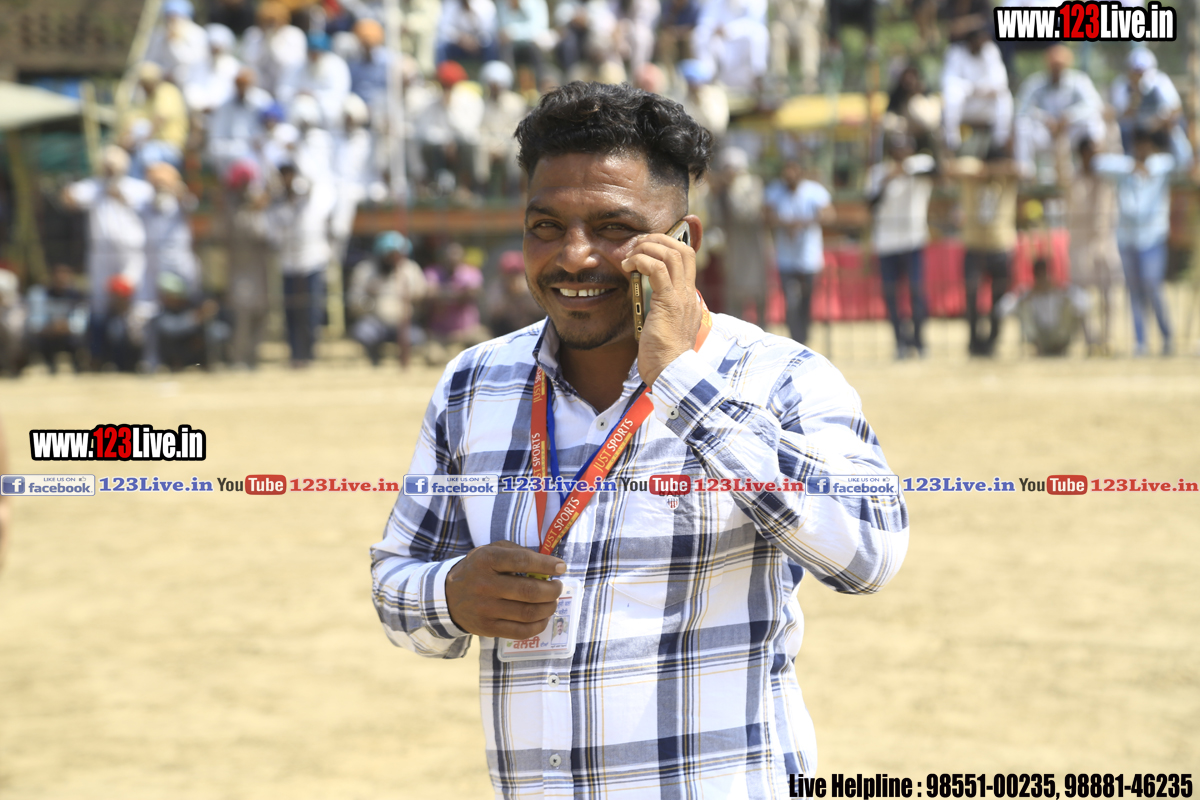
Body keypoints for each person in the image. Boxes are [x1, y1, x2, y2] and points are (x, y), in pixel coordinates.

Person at [370, 81, 908, 794]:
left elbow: (869, 552)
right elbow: (396, 581)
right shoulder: (474, 385)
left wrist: (681, 381)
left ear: (686, 242)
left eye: (614, 228)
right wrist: (449, 595)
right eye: (545, 226)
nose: (574, 256)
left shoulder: (779, 378)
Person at [60, 145, 155, 367]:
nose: (110, 169)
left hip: (131, 253)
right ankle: (98, 356)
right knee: (99, 303)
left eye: (114, 165)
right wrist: (70, 188)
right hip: (101, 254)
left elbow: (154, 206)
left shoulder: (138, 187)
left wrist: (120, 196)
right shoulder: (93, 186)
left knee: (137, 302)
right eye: (107, 165)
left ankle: (140, 356)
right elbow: (67, 199)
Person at [1092, 129, 1180, 356]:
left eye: (1145, 145)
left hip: (1153, 239)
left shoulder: (1161, 164)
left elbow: (1183, 159)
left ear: (1151, 146)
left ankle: (1166, 336)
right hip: (1127, 240)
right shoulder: (1124, 168)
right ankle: (1140, 342)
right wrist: (1130, 167)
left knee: (1153, 286)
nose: (1142, 149)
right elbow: (1097, 163)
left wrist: (1174, 129)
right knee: (1134, 291)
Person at [865, 132, 935, 359]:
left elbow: (936, 170)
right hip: (886, 243)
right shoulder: (878, 173)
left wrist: (905, 170)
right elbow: (870, 204)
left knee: (916, 291)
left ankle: (919, 340)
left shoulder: (920, 163)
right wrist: (887, 180)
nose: (901, 152)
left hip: (913, 239)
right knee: (891, 295)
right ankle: (900, 342)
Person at [947, 144, 1019, 356]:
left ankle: (992, 341)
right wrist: (983, 170)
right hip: (975, 247)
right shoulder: (972, 175)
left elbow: (1021, 169)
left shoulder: (1007, 178)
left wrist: (993, 170)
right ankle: (973, 342)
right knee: (971, 296)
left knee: (999, 300)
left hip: (1001, 246)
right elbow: (950, 168)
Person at [267, 161, 337, 367]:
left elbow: (315, 185)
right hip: (289, 265)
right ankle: (295, 354)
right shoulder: (276, 206)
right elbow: (273, 235)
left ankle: (310, 353)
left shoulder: (312, 200)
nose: (287, 180)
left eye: (290, 175)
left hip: (312, 262)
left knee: (311, 311)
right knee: (291, 312)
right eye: (284, 176)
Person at [1058, 135, 1120, 355]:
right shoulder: (1073, 178)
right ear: (1083, 154)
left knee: (1109, 294)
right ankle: (1090, 341)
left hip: (1105, 241)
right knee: (1081, 296)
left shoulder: (1107, 177)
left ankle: (1108, 339)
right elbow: (1060, 166)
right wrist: (1060, 138)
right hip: (1080, 243)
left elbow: (1118, 156)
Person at [764, 158, 835, 344]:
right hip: (786, 259)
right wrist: (785, 224)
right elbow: (765, 215)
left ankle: (804, 338)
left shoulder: (814, 191)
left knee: (806, 301)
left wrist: (805, 222)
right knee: (791, 301)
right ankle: (796, 340)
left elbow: (829, 214)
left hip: (809, 258)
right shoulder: (775, 190)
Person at [1014, 45, 1104, 181]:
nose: (1056, 69)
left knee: (1093, 121)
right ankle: (1026, 174)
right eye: (1053, 65)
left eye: (1060, 65)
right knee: (1022, 125)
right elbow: (1022, 109)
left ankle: (1092, 164)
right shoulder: (1035, 83)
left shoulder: (1079, 81)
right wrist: (1044, 118)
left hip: (1071, 134)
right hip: (1046, 134)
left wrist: (1069, 117)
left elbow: (1094, 104)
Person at [221, 160, 273, 369]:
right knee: (242, 316)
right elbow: (233, 232)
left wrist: (258, 208)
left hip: (259, 268)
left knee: (260, 314)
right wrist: (252, 210)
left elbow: (266, 235)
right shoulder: (230, 207)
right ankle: (239, 358)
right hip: (239, 269)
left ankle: (253, 357)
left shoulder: (258, 204)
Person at [348, 231, 428, 367]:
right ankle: (374, 359)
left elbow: (422, 297)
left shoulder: (411, 269)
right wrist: (368, 297)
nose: (392, 259)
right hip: (375, 323)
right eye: (388, 255)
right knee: (363, 332)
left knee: (416, 336)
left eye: (396, 255)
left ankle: (401, 360)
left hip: (404, 323)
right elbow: (353, 302)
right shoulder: (365, 270)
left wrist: (412, 296)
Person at [708, 146, 768, 324]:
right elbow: (715, 217)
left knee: (758, 296)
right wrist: (719, 193)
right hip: (732, 250)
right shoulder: (721, 189)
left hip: (753, 249)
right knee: (733, 299)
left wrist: (731, 190)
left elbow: (748, 214)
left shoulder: (753, 184)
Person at [940, 23, 1012, 154]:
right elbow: (948, 81)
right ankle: (952, 144)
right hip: (965, 106)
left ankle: (1000, 143)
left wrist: (983, 90)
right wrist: (973, 89)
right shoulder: (955, 52)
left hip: (986, 105)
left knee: (1005, 96)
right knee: (952, 95)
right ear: (971, 39)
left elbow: (1001, 82)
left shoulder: (990, 50)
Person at [997, 257, 1089, 356]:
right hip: (1039, 339)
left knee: (1070, 306)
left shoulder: (1061, 289)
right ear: (1034, 275)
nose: (1043, 278)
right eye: (1039, 274)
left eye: (1044, 274)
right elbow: (1000, 309)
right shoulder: (1028, 291)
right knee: (1024, 307)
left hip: (1059, 336)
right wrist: (1027, 296)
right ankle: (1038, 347)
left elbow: (1086, 303)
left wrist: (1062, 291)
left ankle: (1059, 346)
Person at [26, 264, 88, 374]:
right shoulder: (40, 294)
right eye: (58, 276)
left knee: (81, 338)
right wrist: (50, 326)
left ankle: (79, 367)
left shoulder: (77, 296)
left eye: (65, 276)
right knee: (37, 338)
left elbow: (81, 323)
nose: (61, 279)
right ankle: (49, 366)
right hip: (48, 333)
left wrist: (66, 326)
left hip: (69, 334)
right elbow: (34, 322)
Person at [484, 249, 544, 334]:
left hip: (533, 330)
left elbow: (540, 311)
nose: (513, 278)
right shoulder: (497, 287)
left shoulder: (532, 285)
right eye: (509, 275)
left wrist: (523, 294)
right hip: (505, 332)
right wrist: (509, 296)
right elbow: (494, 314)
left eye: (517, 273)